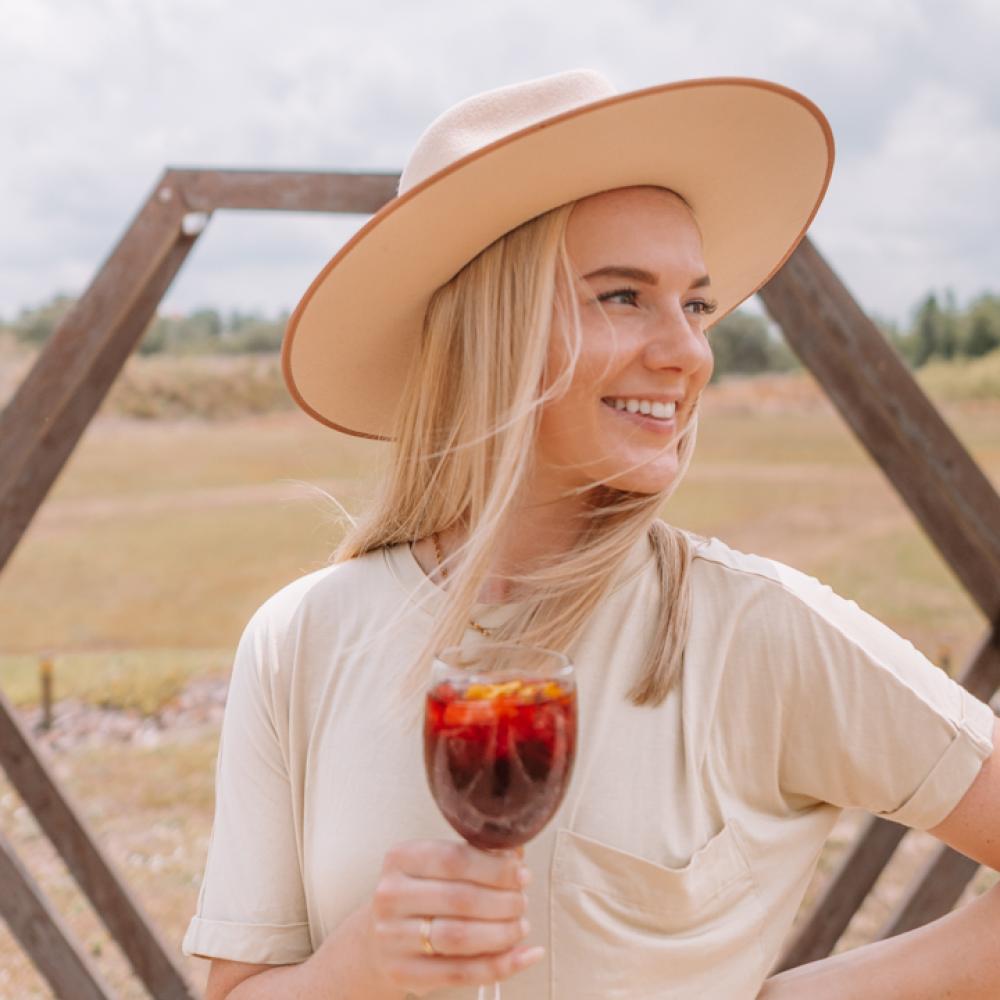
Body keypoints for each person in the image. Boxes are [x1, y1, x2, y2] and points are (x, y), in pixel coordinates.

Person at [182, 70, 1000, 999]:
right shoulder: (300, 641)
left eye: (694, 303)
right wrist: (356, 966)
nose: (689, 350)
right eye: (622, 296)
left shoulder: (752, 629)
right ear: (492, 327)